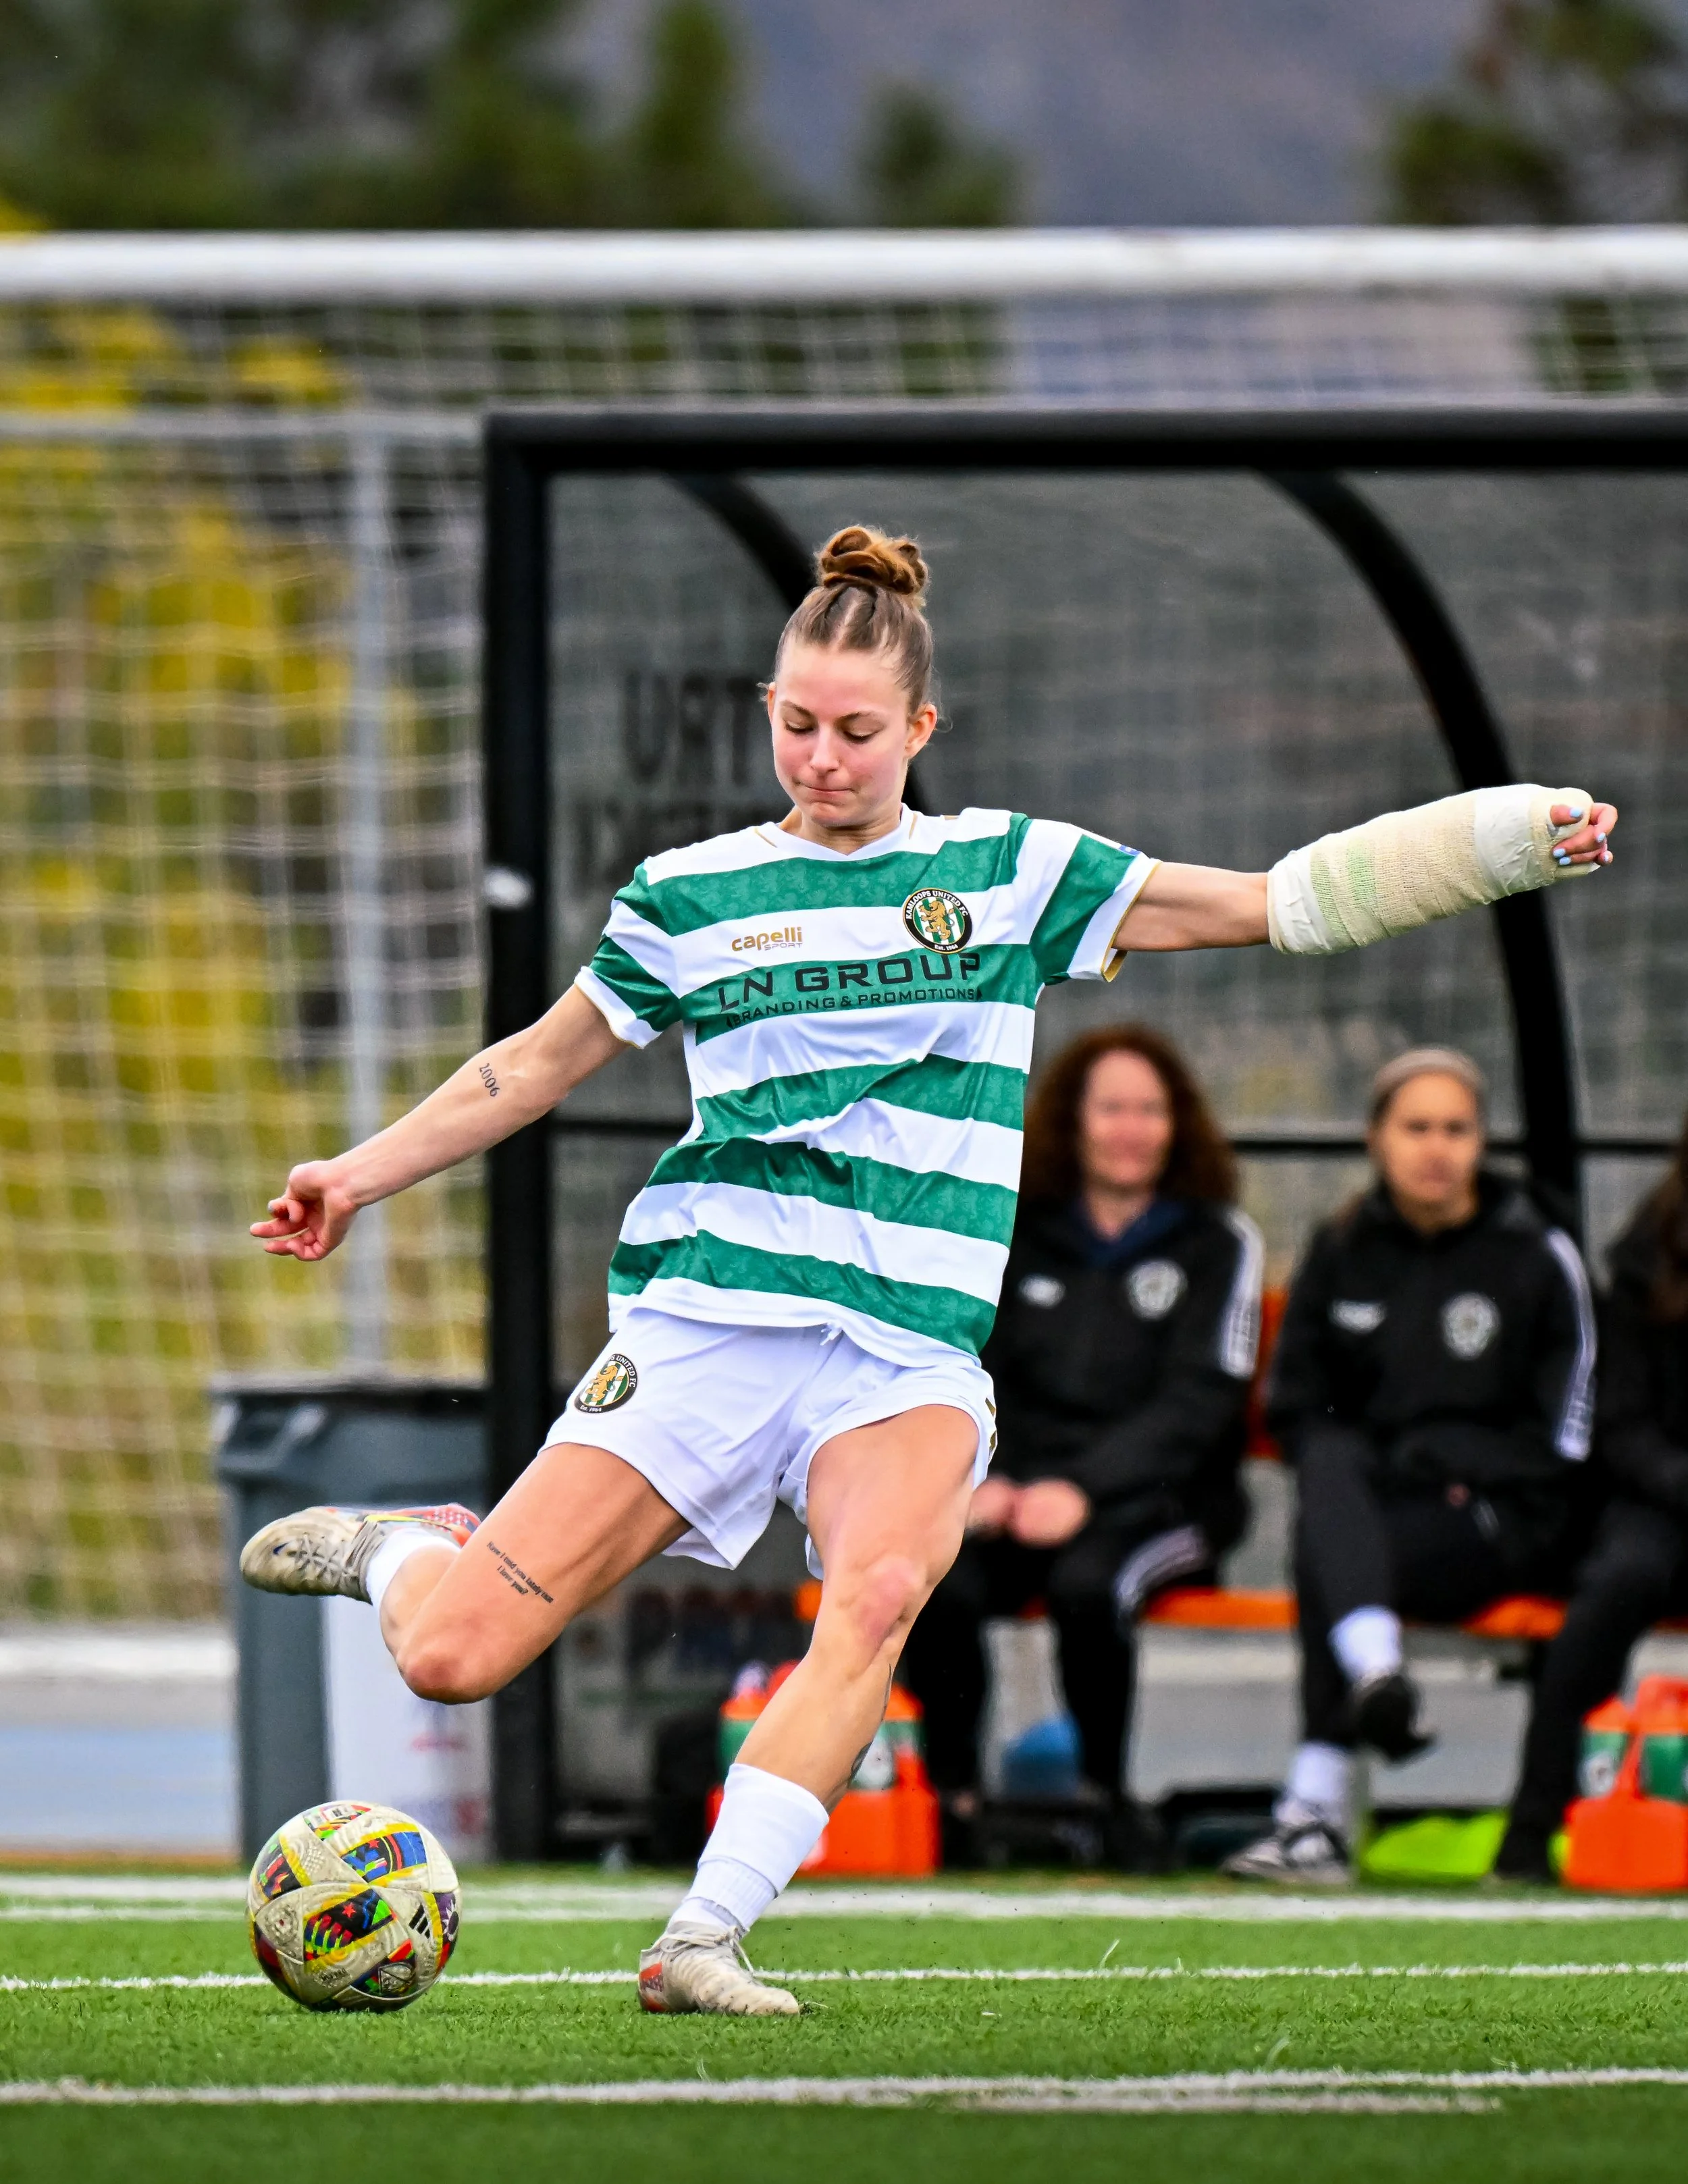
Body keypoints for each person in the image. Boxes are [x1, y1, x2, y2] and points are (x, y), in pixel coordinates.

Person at [238, 521, 1615, 2011]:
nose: (820, 758)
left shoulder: (1007, 875)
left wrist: (1498, 842)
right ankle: (402, 1546)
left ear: (918, 729)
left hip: (900, 1352)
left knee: (880, 1591)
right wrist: (354, 1175)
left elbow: (1276, 902)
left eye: (853, 731)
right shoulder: (687, 895)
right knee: (451, 1656)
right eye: (793, 724)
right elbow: (529, 1069)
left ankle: (702, 1936)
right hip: (712, 1318)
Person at [1225, 1048, 1598, 1886]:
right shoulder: (1344, 1246)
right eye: (1416, 1127)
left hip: (1500, 1519)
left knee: (1328, 1545)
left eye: (1456, 1129)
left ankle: (1315, 1804)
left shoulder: (1537, 1252)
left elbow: (1567, 1439)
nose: (1437, 1147)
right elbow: (1294, 1404)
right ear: (1376, 1140)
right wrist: (1381, 1460)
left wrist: (1447, 1459)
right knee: (1329, 1473)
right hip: (1380, 1513)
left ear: (1480, 1141)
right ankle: (1372, 1681)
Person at [899, 1025, 1261, 1865]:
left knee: (1088, 1585)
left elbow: (1200, 1403)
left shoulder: (1216, 1242)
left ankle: (1103, 1800)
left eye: (1149, 1109)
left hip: (1161, 1504)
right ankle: (953, 1802)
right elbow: (967, 1368)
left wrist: (1087, 1490)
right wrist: (981, 1480)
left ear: (1177, 1125)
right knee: (934, 1577)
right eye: (1111, 1109)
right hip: (1020, 1494)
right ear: (1074, 1121)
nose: (1129, 1128)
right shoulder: (1015, 1231)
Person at [1494, 1111, 1688, 1882]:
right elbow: (1622, 1423)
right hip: (1662, 1503)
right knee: (1616, 1583)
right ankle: (1532, 1829)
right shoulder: (1648, 1260)